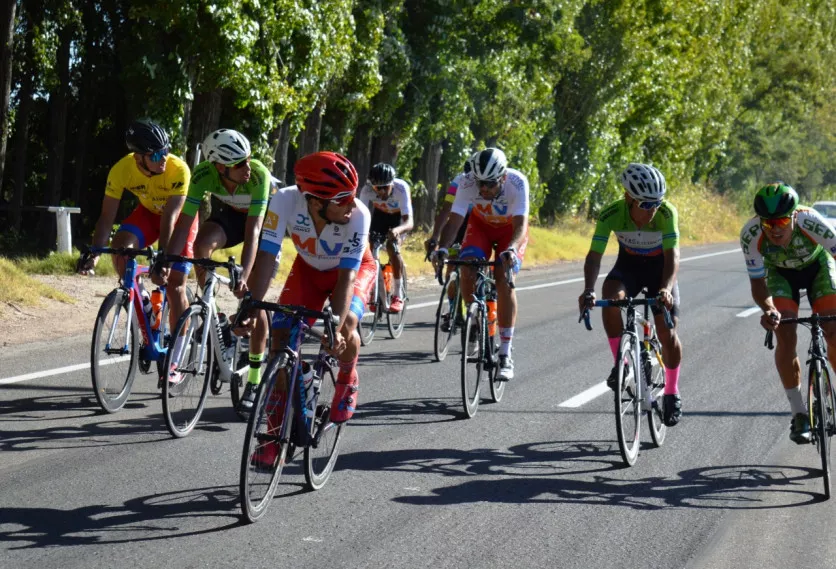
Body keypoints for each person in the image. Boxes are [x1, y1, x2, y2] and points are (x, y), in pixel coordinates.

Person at [235, 151, 374, 465]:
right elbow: (267, 256)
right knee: (280, 340)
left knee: (346, 327)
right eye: (342, 199)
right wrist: (250, 307)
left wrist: (336, 328)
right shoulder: (284, 201)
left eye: (352, 196)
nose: (352, 205)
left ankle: (348, 377)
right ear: (315, 201)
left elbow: (347, 278)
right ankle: (273, 438)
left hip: (352, 272)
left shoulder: (359, 215)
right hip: (308, 271)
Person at [161, 129, 270, 385]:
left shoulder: (258, 175)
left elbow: (253, 232)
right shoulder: (203, 174)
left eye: (248, 159)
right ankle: (216, 315)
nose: (247, 167)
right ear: (220, 167)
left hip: (263, 224)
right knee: (201, 245)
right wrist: (166, 261)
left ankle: (254, 380)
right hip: (232, 216)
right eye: (239, 164)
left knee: (255, 301)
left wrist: (244, 274)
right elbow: (184, 224)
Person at [578, 163, 682, 427]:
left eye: (656, 203)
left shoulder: (667, 213)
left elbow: (673, 256)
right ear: (628, 197)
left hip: (661, 271)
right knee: (610, 297)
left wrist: (666, 289)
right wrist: (588, 289)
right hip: (629, 268)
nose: (652, 210)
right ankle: (621, 363)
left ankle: (672, 391)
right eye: (646, 204)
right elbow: (594, 256)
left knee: (667, 331)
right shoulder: (611, 213)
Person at [77, 119, 194, 346]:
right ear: (138, 158)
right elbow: (107, 217)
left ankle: (177, 355)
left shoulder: (178, 169)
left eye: (165, 151)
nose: (164, 159)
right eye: (156, 155)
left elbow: (170, 218)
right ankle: (146, 304)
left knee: (175, 285)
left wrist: (164, 260)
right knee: (120, 248)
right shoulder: (121, 170)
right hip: (148, 214)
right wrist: (95, 253)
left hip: (180, 220)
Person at [741, 182, 836, 443]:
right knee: (785, 333)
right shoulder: (750, 234)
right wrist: (769, 309)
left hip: (818, 267)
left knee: (833, 329)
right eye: (768, 223)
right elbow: (757, 283)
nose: (775, 229)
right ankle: (799, 414)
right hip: (781, 274)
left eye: (782, 221)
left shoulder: (810, 221)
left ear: (794, 216)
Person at [432, 147, 529, 381]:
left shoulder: (517, 183)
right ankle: (475, 320)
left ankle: (505, 352)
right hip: (481, 228)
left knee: (504, 280)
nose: (483, 189)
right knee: (466, 266)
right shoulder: (467, 183)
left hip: (509, 231)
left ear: (503, 177)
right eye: (480, 184)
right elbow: (455, 220)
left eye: (489, 184)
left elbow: (520, 224)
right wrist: (442, 248)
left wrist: (511, 249)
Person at [425, 153, 478, 330]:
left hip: (480, 220)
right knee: (452, 262)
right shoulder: (459, 182)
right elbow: (446, 210)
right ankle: (453, 307)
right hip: (460, 220)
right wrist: (435, 238)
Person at [358, 163, 413, 313]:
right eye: (377, 188)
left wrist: (397, 230)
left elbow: (409, 222)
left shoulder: (401, 188)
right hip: (380, 217)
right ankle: (375, 290)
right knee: (370, 251)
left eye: (385, 187)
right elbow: (360, 217)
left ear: (392, 184)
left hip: (398, 219)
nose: (381, 191)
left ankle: (398, 295)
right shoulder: (366, 190)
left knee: (392, 247)